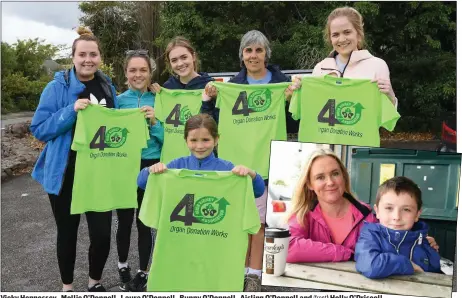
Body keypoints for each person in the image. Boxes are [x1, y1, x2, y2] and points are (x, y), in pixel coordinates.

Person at [201, 29, 300, 291]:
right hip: (238, 166)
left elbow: (294, 124)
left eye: (258, 50)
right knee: (241, 222)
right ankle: (243, 272)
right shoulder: (232, 88)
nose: (253, 55)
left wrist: (293, 100)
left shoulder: (282, 84)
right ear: (241, 56)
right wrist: (209, 102)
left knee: (262, 223)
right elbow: (213, 124)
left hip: (271, 163)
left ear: (267, 53)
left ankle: (254, 274)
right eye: (248, 50)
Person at [30, 27, 119, 292]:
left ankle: (95, 283)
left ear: (100, 57)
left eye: (93, 54)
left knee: (102, 234)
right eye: (82, 54)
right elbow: (39, 128)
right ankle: (67, 287)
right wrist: (71, 110)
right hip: (66, 172)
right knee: (67, 234)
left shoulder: (107, 86)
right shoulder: (56, 87)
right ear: (73, 56)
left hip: (99, 173)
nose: (88, 59)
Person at [287, 149, 439, 264]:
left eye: (335, 174)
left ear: (344, 177)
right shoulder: (303, 214)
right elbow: (287, 248)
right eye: (320, 177)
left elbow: (391, 238)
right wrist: (344, 253)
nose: (330, 182)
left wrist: (417, 240)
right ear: (310, 184)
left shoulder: (366, 214)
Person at [115, 50, 163, 291]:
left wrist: (155, 122)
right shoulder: (118, 100)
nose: (138, 74)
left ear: (150, 72)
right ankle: (122, 264)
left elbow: (171, 138)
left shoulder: (160, 99)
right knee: (123, 221)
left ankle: (143, 271)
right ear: (126, 73)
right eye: (133, 70)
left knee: (145, 221)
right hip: (125, 165)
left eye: (143, 70)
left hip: (151, 165)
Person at [137, 114, 265, 198]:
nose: (199, 146)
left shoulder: (227, 168)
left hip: (213, 234)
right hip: (183, 232)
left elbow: (258, 192)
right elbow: (142, 183)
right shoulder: (176, 165)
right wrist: (151, 170)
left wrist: (251, 174)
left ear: (216, 140)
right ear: (186, 140)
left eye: (205, 140)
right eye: (193, 140)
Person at [355, 176, 441, 278]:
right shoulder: (370, 234)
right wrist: (408, 265)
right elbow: (369, 265)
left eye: (406, 210)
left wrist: (430, 250)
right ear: (377, 211)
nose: (396, 217)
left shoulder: (422, 239)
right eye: (389, 208)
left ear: (417, 214)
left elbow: (435, 273)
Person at [312, 6, 398, 107]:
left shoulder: (377, 66)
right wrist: (294, 96)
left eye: (347, 32)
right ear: (330, 39)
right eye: (335, 35)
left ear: (358, 34)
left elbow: (386, 115)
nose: (342, 39)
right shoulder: (319, 69)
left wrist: (391, 97)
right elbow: (311, 108)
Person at [150, 36, 214, 92]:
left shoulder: (210, 86)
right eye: (174, 60)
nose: (180, 64)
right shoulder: (168, 87)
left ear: (193, 57)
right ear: (170, 64)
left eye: (184, 57)